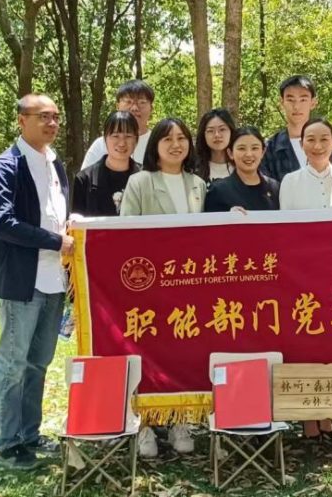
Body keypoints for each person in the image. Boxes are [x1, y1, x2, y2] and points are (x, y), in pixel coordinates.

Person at [0, 94, 73, 470]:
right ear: (21, 120)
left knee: (38, 362)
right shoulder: (5, 166)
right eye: (43, 116)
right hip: (23, 280)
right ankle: (5, 443)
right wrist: (55, 241)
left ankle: (29, 434)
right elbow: (2, 223)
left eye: (56, 117)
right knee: (13, 362)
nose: (52, 123)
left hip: (54, 280)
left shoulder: (54, 163)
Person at [120, 118, 206, 456]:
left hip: (186, 286)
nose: (176, 145)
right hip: (148, 285)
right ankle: (144, 425)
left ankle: (177, 420)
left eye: (182, 138)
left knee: (180, 353)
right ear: (155, 145)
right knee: (146, 353)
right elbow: (125, 234)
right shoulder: (140, 182)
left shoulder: (198, 184)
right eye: (167, 139)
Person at [279, 118, 332, 440]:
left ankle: (330, 413)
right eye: (311, 139)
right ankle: (308, 416)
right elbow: (285, 231)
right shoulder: (290, 181)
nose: (318, 145)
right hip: (303, 276)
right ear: (302, 144)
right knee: (306, 341)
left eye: (324, 139)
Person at [261, 75, 332, 183]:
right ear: (282, 102)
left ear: (313, 103)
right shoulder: (269, 148)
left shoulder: (331, 144)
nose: (296, 106)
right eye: (290, 100)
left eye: (303, 100)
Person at [71, 111, 141, 217]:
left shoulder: (146, 177)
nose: (122, 143)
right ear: (104, 139)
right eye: (115, 136)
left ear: (136, 140)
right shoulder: (85, 179)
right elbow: (77, 221)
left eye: (128, 136)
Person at [80, 80, 155, 169]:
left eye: (141, 102)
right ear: (118, 106)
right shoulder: (101, 145)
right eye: (128, 102)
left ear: (151, 108)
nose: (134, 108)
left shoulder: (158, 144)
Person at [205, 127, 280, 212]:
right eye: (241, 148)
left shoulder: (275, 188)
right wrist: (227, 216)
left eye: (254, 148)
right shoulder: (218, 191)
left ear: (263, 152)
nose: (249, 154)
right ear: (230, 153)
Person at [194, 107, 237, 183]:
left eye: (222, 129)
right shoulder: (193, 168)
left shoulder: (241, 166)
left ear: (231, 131)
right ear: (203, 135)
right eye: (210, 131)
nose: (217, 135)